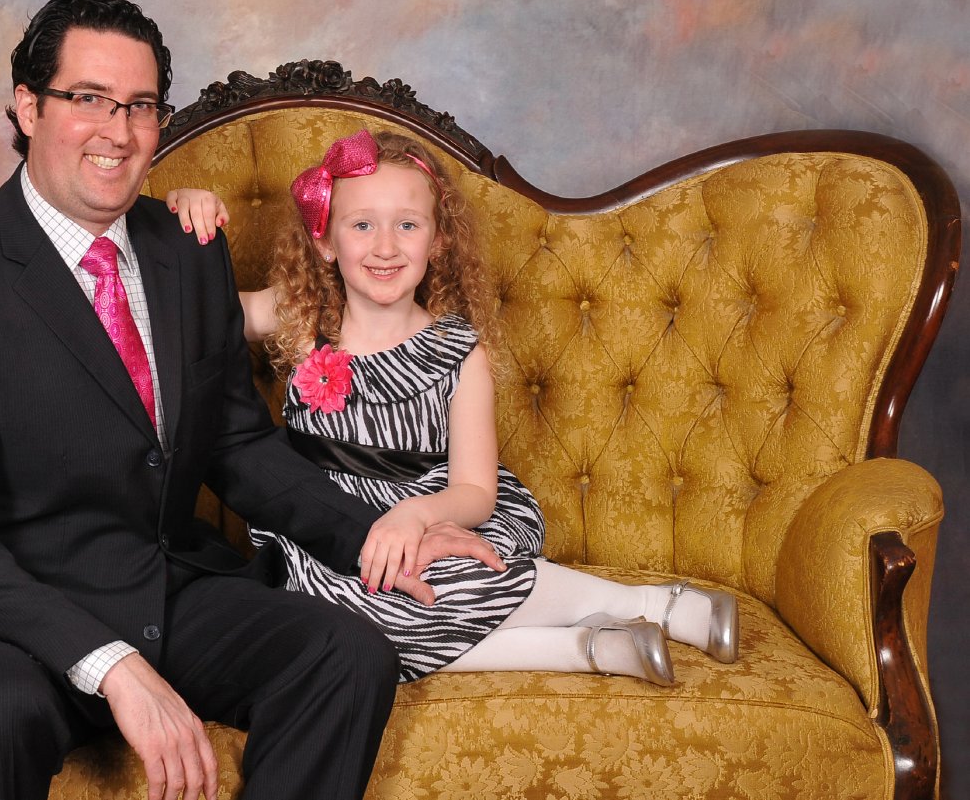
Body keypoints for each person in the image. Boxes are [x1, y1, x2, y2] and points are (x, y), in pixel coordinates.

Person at [0, 0, 507, 800]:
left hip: (166, 585)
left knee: (346, 654)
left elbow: (238, 443)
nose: (118, 130)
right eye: (88, 98)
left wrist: (375, 533)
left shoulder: (187, 250)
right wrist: (114, 665)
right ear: (28, 107)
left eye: (139, 106)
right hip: (11, 613)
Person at [168, 129, 740, 685]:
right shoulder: (297, 317)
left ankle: (656, 604)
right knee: (342, 623)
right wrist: (187, 217)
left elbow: (474, 490)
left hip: (436, 512)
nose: (385, 246)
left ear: (438, 239)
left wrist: (415, 517)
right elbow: (197, 308)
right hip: (326, 526)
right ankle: (588, 647)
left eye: (408, 225)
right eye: (362, 225)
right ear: (324, 241)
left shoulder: (459, 352)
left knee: (439, 574)